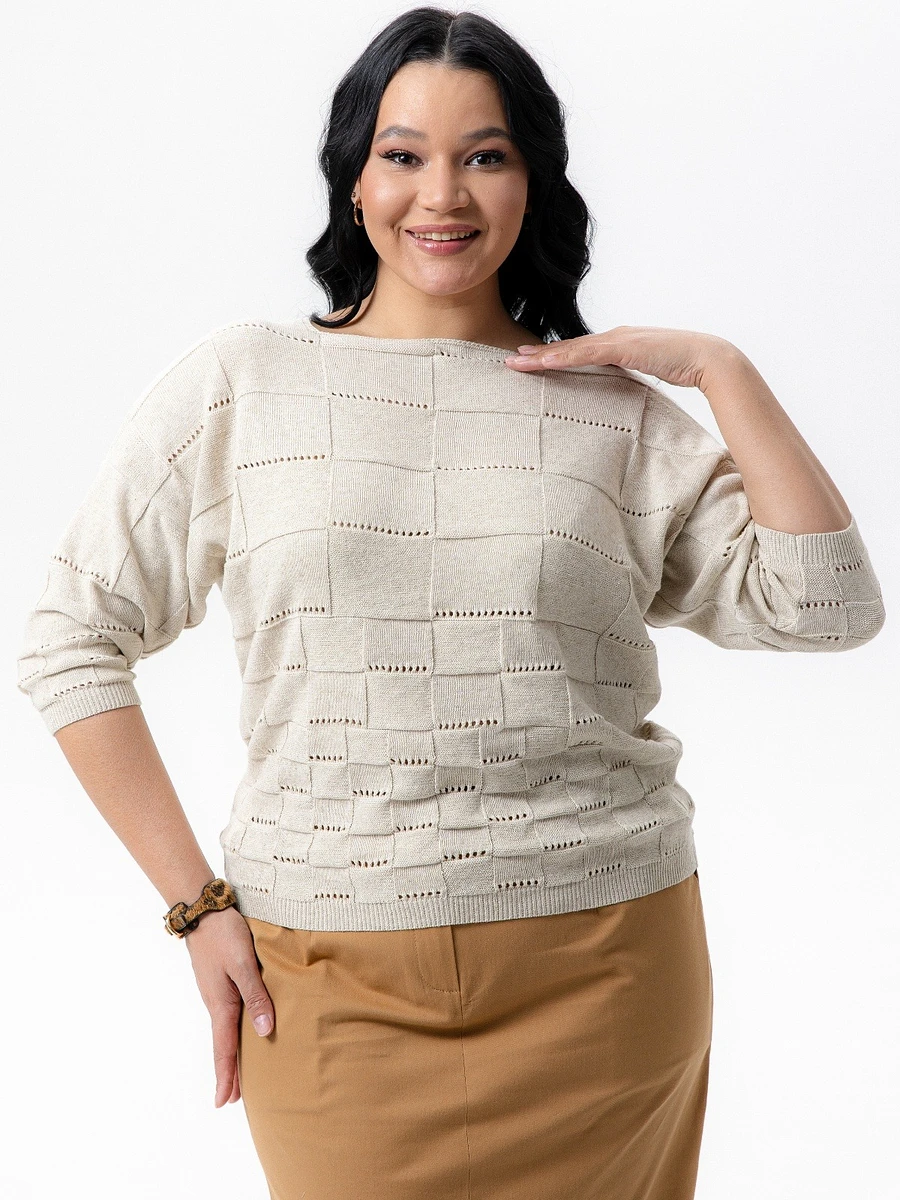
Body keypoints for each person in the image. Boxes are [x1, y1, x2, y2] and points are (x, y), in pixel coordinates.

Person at [15, 8, 886, 1200]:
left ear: (534, 181)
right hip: (326, 973)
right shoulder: (246, 383)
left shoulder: (614, 418)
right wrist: (195, 907)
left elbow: (825, 606)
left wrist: (718, 370)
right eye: (403, 154)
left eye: (486, 155)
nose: (443, 195)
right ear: (354, 178)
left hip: (606, 962)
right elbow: (71, 640)